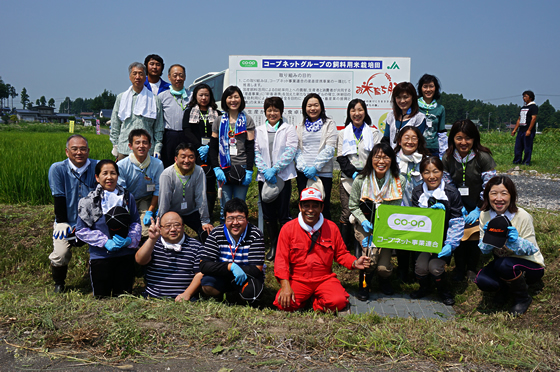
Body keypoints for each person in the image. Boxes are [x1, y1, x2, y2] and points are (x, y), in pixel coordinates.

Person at [274, 187, 370, 312]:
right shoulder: (288, 229)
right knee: (283, 304)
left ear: (321, 208)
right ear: (300, 207)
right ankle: (305, 298)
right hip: (298, 279)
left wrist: (355, 262)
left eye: (315, 206)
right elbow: (281, 261)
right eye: (306, 206)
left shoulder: (331, 227)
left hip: (325, 279)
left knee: (339, 302)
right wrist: (285, 286)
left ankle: (315, 302)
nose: (310, 210)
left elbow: (341, 254)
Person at [475, 176, 545, 316]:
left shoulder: (522, 216)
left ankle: (523, 298)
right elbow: (484, 250)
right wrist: (488, 239)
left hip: (530, 264)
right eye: (494, 193)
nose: (498, 198)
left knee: (504, 264)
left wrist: (515, 241)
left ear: (511, 196)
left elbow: (532, 248)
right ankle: (506, 290)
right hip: (502, 263)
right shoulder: (484, 215)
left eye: (504, 193)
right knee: (482, 280)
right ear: (487, 196)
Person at [75, 160, 141, 297]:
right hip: (100, 257)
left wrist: (130, 240)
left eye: (113, 173)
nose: (109, 177)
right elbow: (81, 230)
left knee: (124, 297)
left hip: (125, 256)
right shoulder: (87, 202)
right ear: (97, 177)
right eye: (105, 173)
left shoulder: (128, 198)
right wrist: (105, 242)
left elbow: (135, 222)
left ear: (118, 176)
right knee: (102, 298)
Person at [349, 143, 406, 300]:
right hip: (365, 225)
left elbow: (396, 209)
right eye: (377, 157)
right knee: (370, 260)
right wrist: (363, 221)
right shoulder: (361, 180)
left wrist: (382, 230)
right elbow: (353, 205)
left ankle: (384, 280)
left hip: (387, 227)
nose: (381, 161)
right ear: (371, 160)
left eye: (386, 157)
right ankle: (364, 285)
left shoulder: (400, 180)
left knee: (382, 267)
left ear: (392, 160)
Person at [443, 119, 496, 282]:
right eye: (459, 138)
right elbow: (448, 184)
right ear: (453, 138)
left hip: (480, 205)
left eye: (468, 138)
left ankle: (472, 268)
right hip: (458, 205)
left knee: (474, 236)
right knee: (458, 233)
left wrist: (478, 208)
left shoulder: (483, 157)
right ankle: (459, 269)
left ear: (474, 139)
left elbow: (490, 186)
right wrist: (459, 206)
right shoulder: (447, 157)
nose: (463, 142)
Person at [410, 157, 465, 305]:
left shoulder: (451, 193)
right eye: (427, 172)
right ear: (421, 174)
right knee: (420, 267)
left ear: (442, 172)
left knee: (434, 267)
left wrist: (451, 244)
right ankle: (424, 288)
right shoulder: (417, 192)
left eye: (436, 171)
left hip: (444, 239)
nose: (432, 176)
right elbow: (415, 220)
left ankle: (443, 291)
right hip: (423, 239)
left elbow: (457, 222)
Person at [48, 135, 98, 292]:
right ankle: (59, 283)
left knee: (103, 250)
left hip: (93, 222)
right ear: (66, 151)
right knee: (60, 254)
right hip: (67, 222)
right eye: (74, 149)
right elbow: (59, 196)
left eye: (83, 149)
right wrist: (62, 222)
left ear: (88, 151)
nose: (79, 152)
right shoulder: (57, 169)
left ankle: (99, 279)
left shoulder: (97, 167)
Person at [254, 96, 298, 261]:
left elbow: (291, 150)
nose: (272, 113)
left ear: (281, 111)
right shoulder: (259, 130)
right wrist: (266, 171)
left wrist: (275, 169)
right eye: (269, 110)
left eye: (276, 110)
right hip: (265, 177)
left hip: (283, 177)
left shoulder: (288, 129)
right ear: (265, 112)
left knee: (283, 213)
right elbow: (256, 152)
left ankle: (284, 248)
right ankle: (273, 245)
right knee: (268, 214)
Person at [337, 99, 382, 254]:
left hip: (369, 180)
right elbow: (341, 157)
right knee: (347, 212)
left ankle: (360, 246)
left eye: (360, 110)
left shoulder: (374, 133)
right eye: (353, 110)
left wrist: (365, 173)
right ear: (349, 113)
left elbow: (377, 157)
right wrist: (352, 172)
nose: (357, 113)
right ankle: (343, 247)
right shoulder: (342, 133)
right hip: (348, 180)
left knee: (363, 212)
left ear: (365, 112)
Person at [199, 198, 265, 304]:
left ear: (247, 218)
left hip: (245, 276)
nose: (235, 223)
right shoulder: (216, 233)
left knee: (253, 294)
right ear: (224, 218)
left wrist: (237, 270)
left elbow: (256, 268)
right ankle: (221, 296)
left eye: (240, 218)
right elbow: (204, 265)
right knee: (207, 285)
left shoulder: (255, 234)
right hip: (222, 274)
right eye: (230, 218)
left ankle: (239, 296)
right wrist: (230, 267)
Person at [209, 86, 255, 222]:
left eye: (236, 97)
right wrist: (216, 167)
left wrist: (249, 170)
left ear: (241, 99)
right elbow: (213, 147)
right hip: (223, 168)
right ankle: (225, 238)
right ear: (225, 100)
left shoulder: (247, 120)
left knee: (240, 207)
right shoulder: (219, 120)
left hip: (241, 167)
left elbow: (250, 147)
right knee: (225, 207)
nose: (233, 100)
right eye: (230, 97)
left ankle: (240, 238)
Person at [135, 211, 203, 301]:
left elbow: (199, 273)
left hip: (184, 299)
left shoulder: (196, 246)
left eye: (177, 225)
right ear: (160, 228)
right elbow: (140, 260)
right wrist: (152, 239)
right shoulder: (153, 244)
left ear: (183, 227)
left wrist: (187, 294)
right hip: (153, 298)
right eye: (167, 226)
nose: (173, 229)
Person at [393, 126, 430, 282]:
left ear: (419, 141)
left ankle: (417, 271)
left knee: (416, 241)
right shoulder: (392, 159)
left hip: (419, 209)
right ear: (400, 140)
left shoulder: (425, 160)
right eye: (406, 137)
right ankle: (402, 271)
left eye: (414, 138)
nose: (410, 141)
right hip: (398, 207)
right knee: (402, 241)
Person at [182, 84, 222, 223]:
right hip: (195, 152)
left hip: (211, 151)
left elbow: (219, 133)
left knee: (210, 181)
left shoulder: (218, 113)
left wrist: (209, 146)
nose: (203, 98)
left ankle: (209, 215)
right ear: (195, 96)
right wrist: (200, 146)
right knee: (195, 181)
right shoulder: (189, 112)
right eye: (200, 95)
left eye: (206, 95)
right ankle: (194, 214)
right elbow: (187, 131)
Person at [295, 93, 338, 220]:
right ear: (304, 108)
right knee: (306, 208)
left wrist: (315, 167)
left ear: (321, 107)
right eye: (309, 106)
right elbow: (297, 149)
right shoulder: (301, 125)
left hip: (323, 174)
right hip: (303, 174)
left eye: (316, 105)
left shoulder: (329, 124)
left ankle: (325, 238)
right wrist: (304, 168)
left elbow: (330, 149)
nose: (312, 108)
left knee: (323, 208)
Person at [158, 143, 213, 242]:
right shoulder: (167, 174)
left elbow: (201, 197)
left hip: (191, 211)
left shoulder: (199, 171)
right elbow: (164, 201)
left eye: (191, 157)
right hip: (173, 212)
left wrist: (205, 221)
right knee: (174, 238)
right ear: (176, 159)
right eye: (183, 157)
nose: (186, 161)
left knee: (207, 234)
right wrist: (162, 222)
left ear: (195, 158)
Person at [110, 62, 164, 161]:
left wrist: (157, 148)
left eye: (141, 74)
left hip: (146, 151)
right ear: (130, 77)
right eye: (134, 74)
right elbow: (115, 124)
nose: (137, 77)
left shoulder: (154, 99)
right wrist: (115, 145)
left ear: (145, 77)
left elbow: (158, 127)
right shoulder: (121, 98)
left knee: (146, 176)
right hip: (124, 149)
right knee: (122, 176)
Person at [117, 129, 164, 239]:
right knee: (125, 229)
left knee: (146, 232)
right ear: (130, 146)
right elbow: (121, 191)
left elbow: (158, 189)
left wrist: (150, 211)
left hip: (146, 199)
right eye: (137, 142)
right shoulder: (121, 165)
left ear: (150, 146)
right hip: (127, 200)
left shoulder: (157, 164)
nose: (141, 146)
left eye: (145, 142)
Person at [159, 64, 190, 168]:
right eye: (175, 75)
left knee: (185, 164)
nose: (178, 78)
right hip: (169, 136)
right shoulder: (162, 97)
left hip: (186, 135)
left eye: (181, 75)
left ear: (185, 77)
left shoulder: (191, 96)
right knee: (168, 165)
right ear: (169, 77)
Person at [382, 82, 426, 148]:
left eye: (406, 97)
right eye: (398, 97)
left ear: (413, 98)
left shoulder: (419, 118)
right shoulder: (391, 115)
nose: (402, 101)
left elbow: (417, 142)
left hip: (410, 156)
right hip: (392, 156)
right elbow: (386, 139)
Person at [417, 74, 447, 157]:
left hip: (434, 149)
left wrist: (443, 153)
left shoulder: (440, 108)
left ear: (436, 88)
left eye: (431, 86)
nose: (428, 90)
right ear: (420, 88)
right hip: (417, 148)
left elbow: (441, 132)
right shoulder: (414, 106)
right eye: (425, 86)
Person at [511, 91, 538, 166]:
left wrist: (529, 130)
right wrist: (514, 130)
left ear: (530, 97)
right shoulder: (523, 108)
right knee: (518, 147)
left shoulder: (533, 107)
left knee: (527, 147)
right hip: (521, 130)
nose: (524, 98)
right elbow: (519, 119)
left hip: (528, 130)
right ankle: (517, 161)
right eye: (523, 96)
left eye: (526, 96)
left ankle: (526, 162)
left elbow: (533, 119)